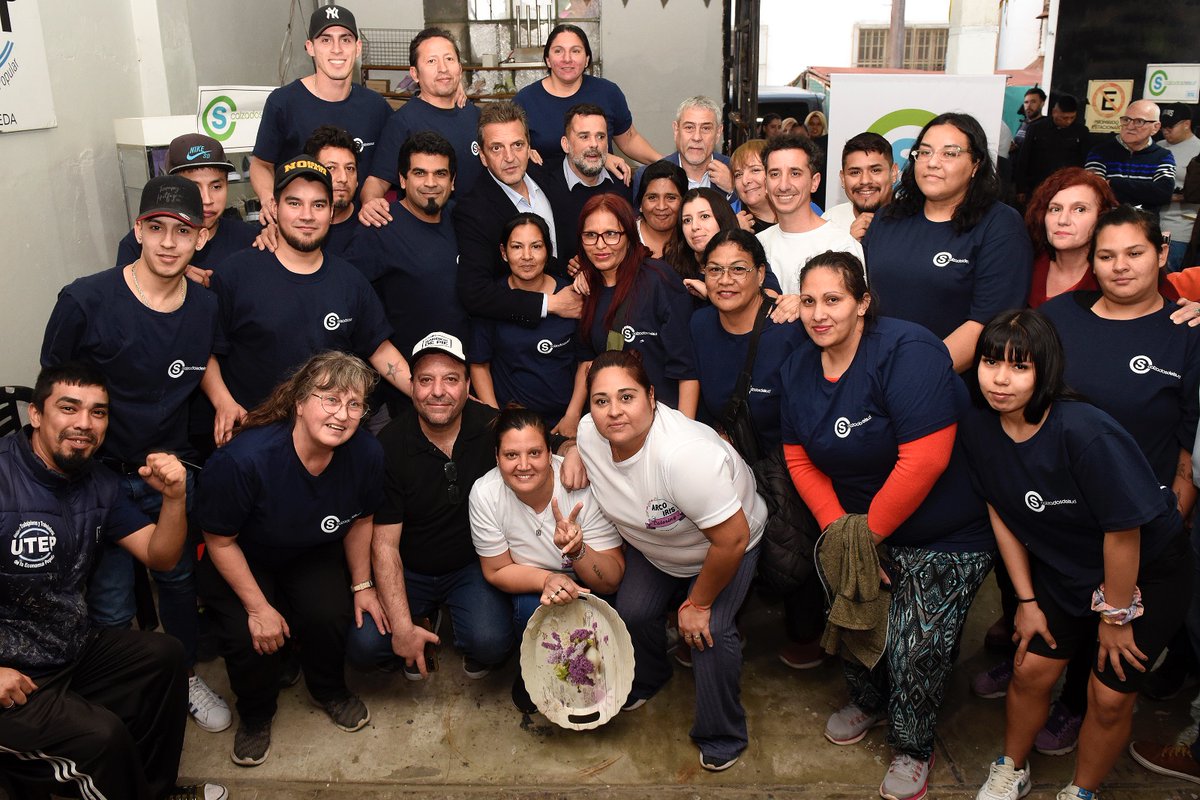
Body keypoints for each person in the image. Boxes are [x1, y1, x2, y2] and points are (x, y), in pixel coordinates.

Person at [780, 251, 993, 800]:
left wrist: (863, 538)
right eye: (809, 301)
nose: (819, 313)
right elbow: (799, 458)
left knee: (914, 646)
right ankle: (869, 702)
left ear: (863, 303)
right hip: (856, 524)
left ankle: (913, 746)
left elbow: (925, 459)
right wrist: (843, 537)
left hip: (943, 532)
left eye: (834, 299)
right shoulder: (799, 364)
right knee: (851, 615)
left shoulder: (908, 350)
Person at [963, 309, 1189, 800]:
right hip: (1068, 567)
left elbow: (1124, 533)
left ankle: (1081, 791)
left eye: (1019, 367)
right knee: (1030, 668)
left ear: (1046, 370)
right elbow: (1002, 514)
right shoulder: (980, 428)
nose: (1000, 379)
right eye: (990, 362)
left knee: (1108, 696)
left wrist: (1116, 616)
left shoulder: (1084, 431)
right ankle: (1011, 768)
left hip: (1145, 571)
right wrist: (1025, 602)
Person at [41, 175, 230, 734]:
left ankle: (184, 674)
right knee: (108, 595)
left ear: (201, 236)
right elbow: (54, 388)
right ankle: (118, 696)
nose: (169, 243)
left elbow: (201, 363)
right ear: (138, 231)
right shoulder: (85, 300)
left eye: (182, 231)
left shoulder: (203, 308)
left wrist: (221, 398)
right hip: (96, 478)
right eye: (157, 229)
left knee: (177, 582)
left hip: (167, 474)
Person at [0, 362, 225, 800]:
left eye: (98, 412)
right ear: (37, 415)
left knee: (165, 659)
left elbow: (160, 556)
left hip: (65, 647)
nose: (84, 424)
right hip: (11, 676)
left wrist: (174, 499)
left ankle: (149, 791)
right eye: (69, 408)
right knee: (99, 738)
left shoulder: (98, 482)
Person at [1030, 205, 1200, 753]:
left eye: (1134, 254)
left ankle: (1076, 706)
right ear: (1092, 263)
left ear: (1162, 256)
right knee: (1051, 627)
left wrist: (1176, 512)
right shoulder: (1058, 317)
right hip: (1057, 513)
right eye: (1107, 256)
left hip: (1139, 524)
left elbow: (1186, 442)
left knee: (1111, 644)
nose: (1120, 267)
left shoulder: (1185, 333)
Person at [575, 348, 766, 772]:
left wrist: (697, 604)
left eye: (627, 397)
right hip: (656, 544)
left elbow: (731, 539)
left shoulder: (683, 457)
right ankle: (651, 675)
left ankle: (722, 733)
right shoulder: (590, 433)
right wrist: (572, 450)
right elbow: (584, 441)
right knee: (634, 611)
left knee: (708, 632)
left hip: (725, 547)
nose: (613, 412)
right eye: (601, 401)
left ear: (652, 397)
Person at [195, 351, 382, 766]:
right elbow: (219, 539)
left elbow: (361, 520)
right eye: (329, 399)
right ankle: (256, 715)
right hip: (243, 555)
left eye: (354, 404)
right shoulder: (244, 460)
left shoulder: (365, 453)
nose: (342, 414)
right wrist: (259, 607)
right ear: (299, 402)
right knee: (250, 637)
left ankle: (329, 689)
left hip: (309, 551)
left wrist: (363, 585)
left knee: (329, 614)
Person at [346, 333, 528, 679]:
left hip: (470, 567)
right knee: (365, 647)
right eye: (426, 380)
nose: (438, 391)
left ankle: (456, 622)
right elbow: (384, 545)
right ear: (412, 386)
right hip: (410, 569)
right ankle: (421, 618)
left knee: (491, 644)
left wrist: (572, 448)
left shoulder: (492, 424)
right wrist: (401, 627)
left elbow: (540, 442)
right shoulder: (389, 445)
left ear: (467, 384)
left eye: (450, 379)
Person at [204, 156, 412, 443]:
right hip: (255, 440)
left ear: (330, 213)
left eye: (318, 205)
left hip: (330, 442)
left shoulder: (350, 281)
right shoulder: (235, 275)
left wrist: (424, 392)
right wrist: (223, 402)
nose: (307, 215)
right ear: (274, 208)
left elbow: (380, 350)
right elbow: (205, 350)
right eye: (294, 203)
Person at [688, 229, 818, 668]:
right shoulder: (700, 324)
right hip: (729, 458)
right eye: (715, 270)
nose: (726, 280)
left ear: (762, 275)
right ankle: (730, 618)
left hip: (788, 459)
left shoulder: (788, 328)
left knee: (792, 546)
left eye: (739, 269)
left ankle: (807, 632)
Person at [468, 405, 625, 712]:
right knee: (533, 609)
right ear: (496, 456)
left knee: (596, 657)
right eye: (511, 455)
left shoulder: (581, 488)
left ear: (549, 454)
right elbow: (496, 569)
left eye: (535, 453)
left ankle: (583, 674)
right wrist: (548, 579)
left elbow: (612, 580)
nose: (523, 465)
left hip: (587, 584)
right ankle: (535, 674)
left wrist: (578, 551)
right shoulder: (486, 493)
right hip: (530, 584)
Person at [863, 112, 1033, 372]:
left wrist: (916, 377)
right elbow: (859, 298)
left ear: (976, 164)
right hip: (872, 371)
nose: (933, 162)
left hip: (943, 382)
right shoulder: (888, 217)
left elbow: (987, 323)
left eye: (949, 153)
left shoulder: (1000, 225)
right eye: (925, 152)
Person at [562, 194, 698, 424]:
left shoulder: (659, 280)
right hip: (615, 423)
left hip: (665, 419)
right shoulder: (587, 287)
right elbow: (586, 360)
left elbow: (688, 371)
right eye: (591, 236)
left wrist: (685, 432)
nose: (600, 245)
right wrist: (572, 416)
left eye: (611, 235)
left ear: (629, 235)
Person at [250, 4, 390, 226]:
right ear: (310, 47)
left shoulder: (375, 106)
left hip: (357, 228)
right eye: (326, 40)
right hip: (301, 229)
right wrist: (269, 200)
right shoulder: (283, 103)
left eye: (345, 39)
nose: (337, 49)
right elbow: (261, 165)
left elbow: (393, 160)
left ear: (358, 47)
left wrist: (451, 95)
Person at [453, 101, 580, 327]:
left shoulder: (544, 174)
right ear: (482, 156)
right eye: (496, 148)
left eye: (517, 145)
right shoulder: (472, 210)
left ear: (529, 147)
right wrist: (549, 304)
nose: (509, 157)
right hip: (519, 332)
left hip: (574, 311)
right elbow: (475, 293)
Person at [345, 131, 469, 361]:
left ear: (452, 181)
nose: (430, 183)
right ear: (402, 179)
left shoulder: (463, 219)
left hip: (463, 372)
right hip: (404, 379)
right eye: (419, 173)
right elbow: (350, 304)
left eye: (440, 174)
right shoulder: (378, 226)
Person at [471, 213, 581, 431]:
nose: (527, 256)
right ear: (504, 253)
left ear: (548, 251)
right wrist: (496, 418)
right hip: (514, 424)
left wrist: (573, 415)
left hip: (565, 422)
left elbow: (585, 362)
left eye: (536, 246)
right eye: (517, 247)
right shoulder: (492, 300)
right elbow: (479, 365)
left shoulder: (571, 295)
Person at [361, 27, 483, 220]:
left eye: (449, 59)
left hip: (478, 229)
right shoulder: (403, 122)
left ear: (459, 68)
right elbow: (377, 180)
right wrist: (370, 203)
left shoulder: (477, 115)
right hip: (432, 231)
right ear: (415, 74)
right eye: (431, 61)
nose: (443, 68)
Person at [114, 133, 258, 284]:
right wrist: (169, 273)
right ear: (170, 186)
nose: (207, 200)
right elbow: (124, 298)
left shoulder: (250, 239)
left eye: (216, 187)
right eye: (194, 188)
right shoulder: (141, 243)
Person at [514, 23, 660, 171]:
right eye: (558, 51)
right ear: (548, 60)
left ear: (587, 59)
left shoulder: (608, 92)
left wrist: (666, 163)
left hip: (601, 186)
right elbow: (511, 148)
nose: (567, 58)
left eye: (576, 51)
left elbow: (629, 139)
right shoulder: (524, 101)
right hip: (547, 188)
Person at [757, 134, 863, 296]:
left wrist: (804, 305)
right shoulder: (758, 244)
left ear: (814, 182)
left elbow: (853, 312)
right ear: (765, 184)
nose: (783, 185)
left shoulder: (841, 245)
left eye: (795, 173)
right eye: (775, 174)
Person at [545, 102, 632, 263]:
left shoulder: (623, 184)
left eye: (601, 136)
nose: (594, 144)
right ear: (566, 144)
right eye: (584, 136)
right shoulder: (544, 184)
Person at [1023, 167, 1118, 308]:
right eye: (1055, 209)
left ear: (1102, 216)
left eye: (1080, 209)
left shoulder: (1118, 274)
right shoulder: (1023, 267)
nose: (1063, 220)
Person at [632, 97, 733, 202]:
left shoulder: (735, 171)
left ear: (718, 133)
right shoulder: (646, 175)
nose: (697, 137)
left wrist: (732, 189)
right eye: (689, 127)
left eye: (706, 128)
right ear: (676, 130)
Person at [1085, 98, 1176, 211]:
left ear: (1155, 127)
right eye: (1126, 120)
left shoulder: (1163, 156)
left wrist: (1114, 183)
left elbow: (1164, 193)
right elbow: (1094, 192)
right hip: (1107, 224)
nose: (1130, 126)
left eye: (1139, 122)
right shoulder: (1100, 152)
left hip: (1145, 226)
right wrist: (1146, 192)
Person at [1011, 94, 1089, 206]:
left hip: (1068, 186)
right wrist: (1021, 188)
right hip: (1037, 186)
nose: (1068, 122)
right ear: (1054, 112)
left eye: (1072, 118)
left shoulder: (1081, 132)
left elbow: (1084, 160)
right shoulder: (1036, 128)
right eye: (1065, 118)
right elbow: (1024, 159)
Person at [822, 132, 898, 242]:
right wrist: (850, 245)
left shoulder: (912, 222)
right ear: (843, 178)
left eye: (875, 170)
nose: (865, 181)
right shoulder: (830, 222)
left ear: (893, 173)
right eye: (855, 172)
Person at [671, 186, 742, 284]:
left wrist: (709, 294)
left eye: (704, 216)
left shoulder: (748, 258)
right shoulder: (670, 268)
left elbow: (768, 296)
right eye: (687, 220)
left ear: (722, 219)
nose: (694, 226)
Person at [1159, 103, 1200, 272]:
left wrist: (1173, 196)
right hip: (1151, 222)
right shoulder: (1157, 147)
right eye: (1163, 126)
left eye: (1171, 127)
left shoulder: (1198, 151)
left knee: (1169, 275)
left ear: (1186, 124)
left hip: (1180, 226)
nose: (1166, 131)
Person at [633, 159, 688, 260]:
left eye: (671, 198)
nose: (661, 207)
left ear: (684, 202)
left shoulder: (694, 237)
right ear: (640, 204)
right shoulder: (625, 239)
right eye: (652, 197)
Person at [730, 139, 777, 233]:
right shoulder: (726, 218)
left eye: (755, 170)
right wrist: (733, 235)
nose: (745, 180)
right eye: (738, 174)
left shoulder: (806, 209)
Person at [1011, 87, 1046, 155]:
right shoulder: (1024, 124)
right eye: (1026, 102)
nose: (1028, 106)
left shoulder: (1045, 126)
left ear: (1042, 103)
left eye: (1033, 102)